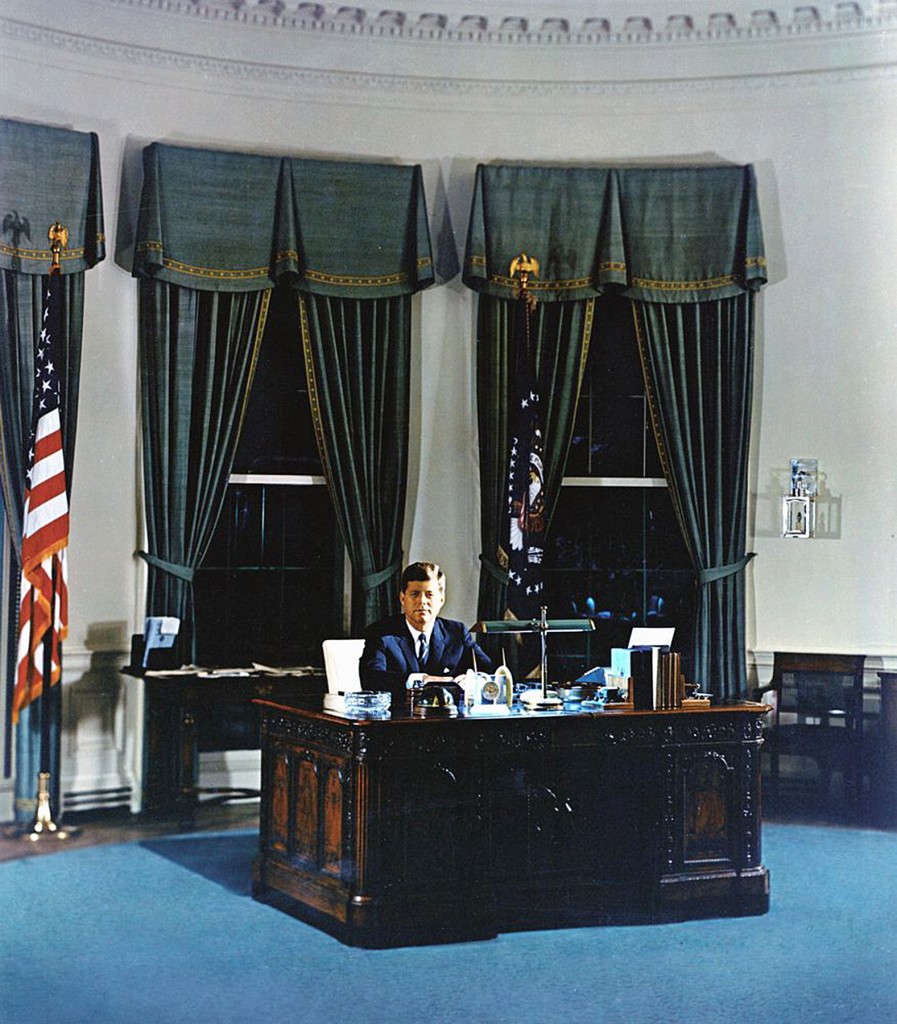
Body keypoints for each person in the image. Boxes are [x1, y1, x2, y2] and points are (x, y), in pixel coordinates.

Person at [359, 561, 493, 701]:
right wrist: (423, 680)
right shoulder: (381, 632)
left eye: (429, 595)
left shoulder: (457, 632)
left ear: (441, 599)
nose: (422, 601)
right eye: (414, 594)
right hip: (400, 717)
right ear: (402, 598)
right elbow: (371, 678)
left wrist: (472, 680)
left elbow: (489, 672)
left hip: (448, 718)